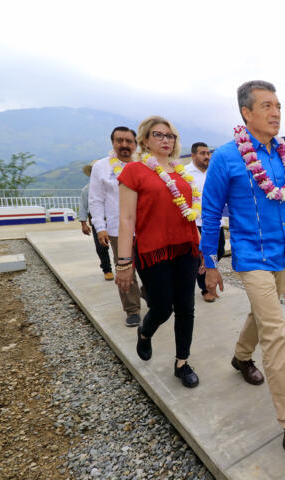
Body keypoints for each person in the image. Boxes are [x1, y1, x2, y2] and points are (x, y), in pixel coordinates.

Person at [201, 80, 285, 464]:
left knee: (263, 314)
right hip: (251, 257)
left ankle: (241, 357)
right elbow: (209, 215)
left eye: (278, 106)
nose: (276, 113)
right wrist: (209, 264)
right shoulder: (226, 158)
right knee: (276, 333)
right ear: (246, 113)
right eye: (267, 106)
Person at [115, 116, 201, 389]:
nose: (166, 140)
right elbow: (127, 219)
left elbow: (192, 215)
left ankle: (182, 362)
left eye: (170, 135)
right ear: (145, 140)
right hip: (153, 251)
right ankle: (145, 332)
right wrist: (123, 261)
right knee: (162, 308)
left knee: (186, 307)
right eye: (159, 135)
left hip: (186, 248)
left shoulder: (182, 173)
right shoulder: (134, 171)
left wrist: (201, 251)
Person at [89, 127, 143, 327]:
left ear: (135, 144)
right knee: (125, 267)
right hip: (117, 228)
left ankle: (149, 295)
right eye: (119, 140)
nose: (124, 145)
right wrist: (100, 227)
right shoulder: (102, 167)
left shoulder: (144, 164)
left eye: (129, 141)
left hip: (145, 227)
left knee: (149, 267)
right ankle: (132, 309)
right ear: (113, 143)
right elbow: (95, 199)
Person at [184, 142, 225, 302]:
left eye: (208, 153)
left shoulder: (214, 171)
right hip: (195, 223)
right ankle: (205, 287)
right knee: (197, 257)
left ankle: (203, 271)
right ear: (193, 155)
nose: (207, 156)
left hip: (215, 222)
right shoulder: (185, 173)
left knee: (219, 251)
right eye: (202, 153)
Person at [79, 162, 113, 281]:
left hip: (113, 219)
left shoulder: (110, 185)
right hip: (97, 221)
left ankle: (123, 267)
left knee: (119, 245)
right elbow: (83, 206)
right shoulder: (86, 190)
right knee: (101, 246)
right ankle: (107, 269)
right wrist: (83, 224)